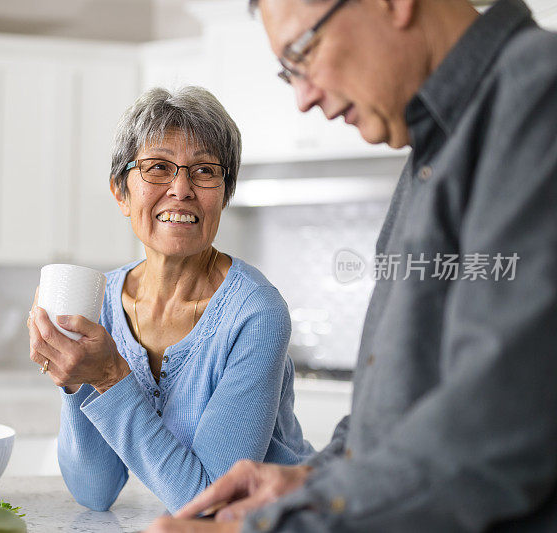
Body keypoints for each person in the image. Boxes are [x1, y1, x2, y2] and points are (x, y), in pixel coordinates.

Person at [146, 0, 557, 531]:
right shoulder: (432, 151)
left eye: (303, 51)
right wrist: (313, 480)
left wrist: (271, 526)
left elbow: (500, 425)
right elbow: (403, 410)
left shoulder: (537, 100)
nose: (303, 98)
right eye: (287, 72)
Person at [27, 86, 314, 514]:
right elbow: (94, 491)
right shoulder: (101, 301)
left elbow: (212, 505)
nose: (181, 189)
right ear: (121, 192)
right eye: (158, 167)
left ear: (224, 194)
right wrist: (73, 378)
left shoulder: (256, 313)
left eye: (203, 171)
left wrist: (108, 377)